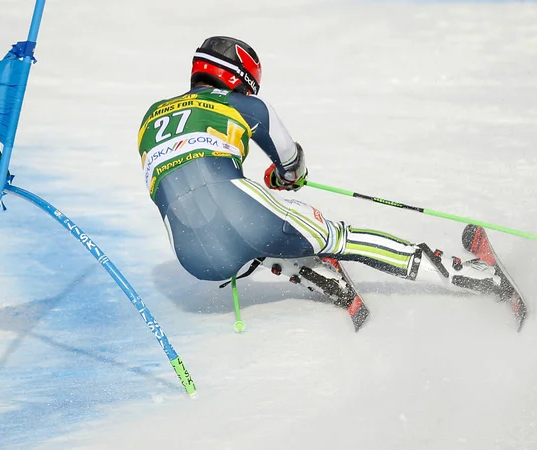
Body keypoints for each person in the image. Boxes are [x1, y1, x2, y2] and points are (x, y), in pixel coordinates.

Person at [136, 36, 510, 303]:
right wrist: (283, 179)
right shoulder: (248, 107)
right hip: (245, 214)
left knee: (250, 230)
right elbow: (291, 164)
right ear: (241, 78)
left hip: (196, 257)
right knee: (337, 237)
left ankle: (311, 271)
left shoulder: (151, 115)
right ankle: (463, 273)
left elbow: (187, 178)